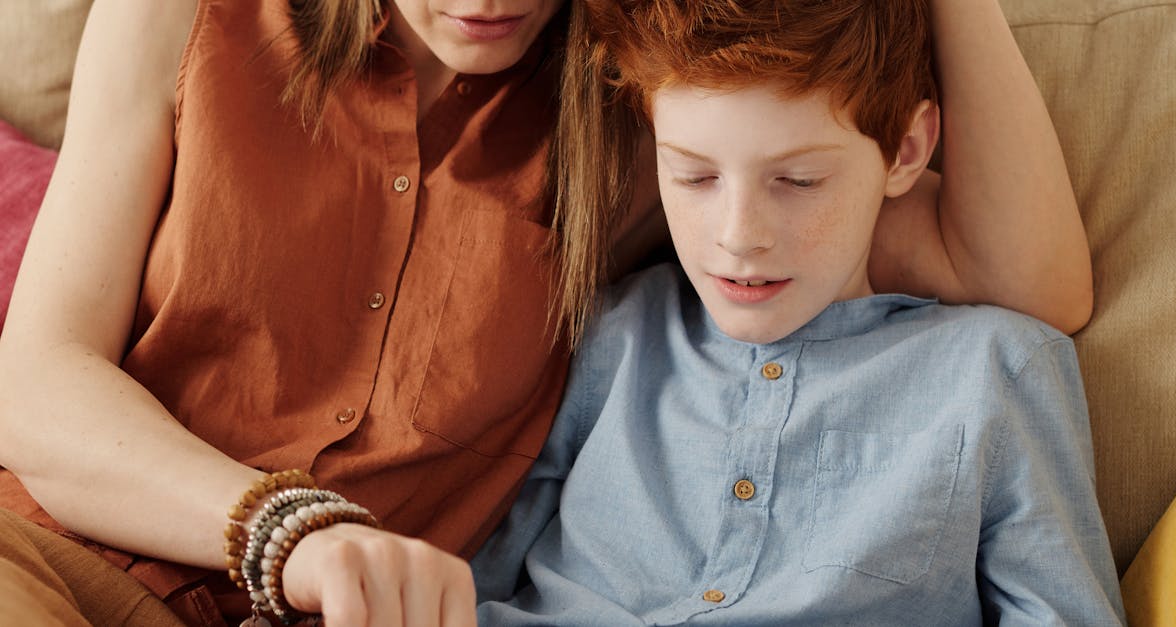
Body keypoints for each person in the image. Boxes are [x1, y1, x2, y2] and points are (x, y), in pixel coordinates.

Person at [0, 0, 1092, 625]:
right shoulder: (187, 16)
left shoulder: (647, 112)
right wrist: (300, 533)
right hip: (59, 561)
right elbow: (36, 390)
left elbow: (1016, 278)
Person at [470, 1, 1125, 624]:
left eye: (798, 180)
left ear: (905, 150)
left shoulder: (994, 367)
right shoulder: (612, 330)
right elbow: (472, 576)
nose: (738, 235)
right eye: (696, 177)